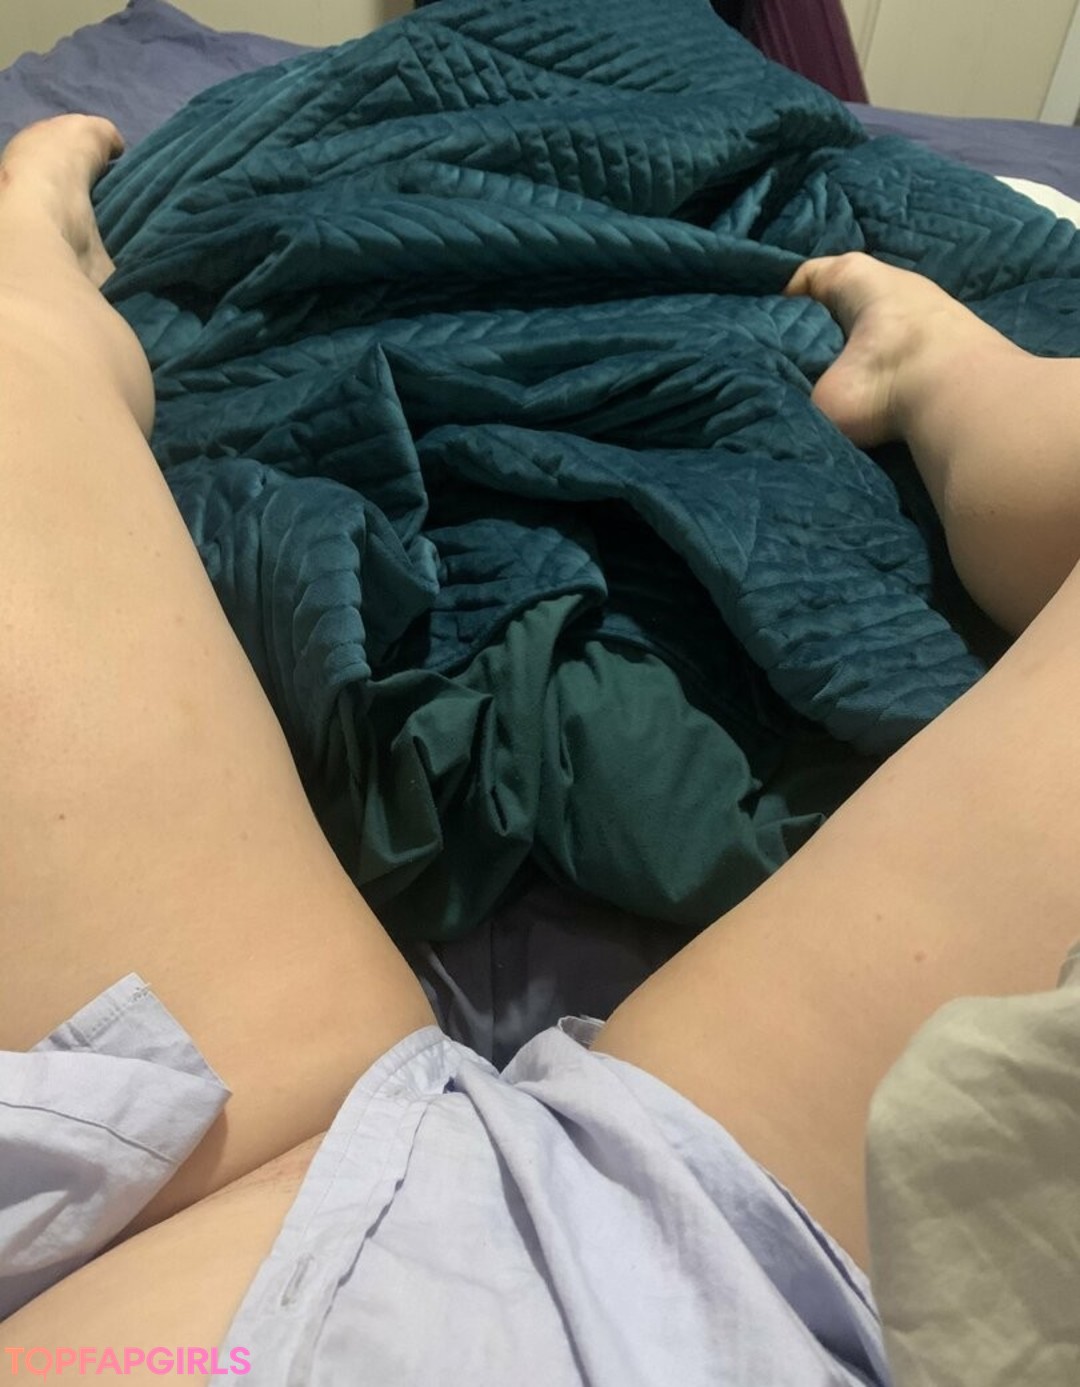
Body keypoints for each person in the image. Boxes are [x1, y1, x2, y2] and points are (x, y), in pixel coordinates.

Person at [1, 114, 1078, 1382]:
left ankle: (27, 261)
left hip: (153, 1270)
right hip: (742, 1286)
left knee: (17, 369)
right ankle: (940, 364)